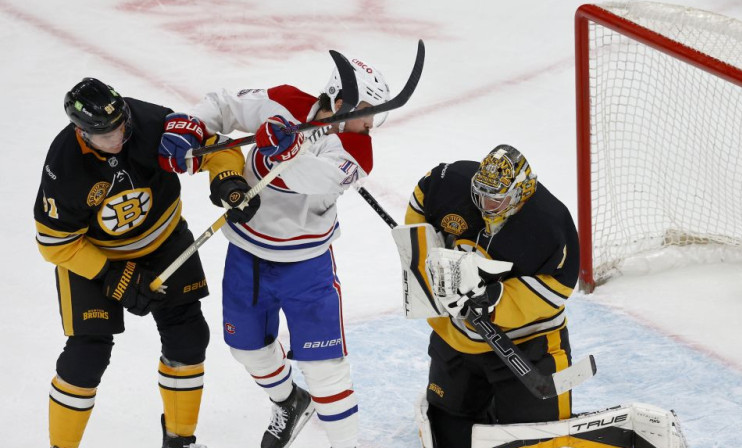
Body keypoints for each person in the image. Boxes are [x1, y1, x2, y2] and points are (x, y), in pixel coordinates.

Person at [157, 55, 391, 448]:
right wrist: (194, 126)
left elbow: (309, 179)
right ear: (338, 100)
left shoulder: (357, 152)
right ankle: (289, 401)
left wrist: (278, 156)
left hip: (307, 267)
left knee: (325, 372)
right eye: (367, 111)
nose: (370, 123)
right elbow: (224, 104)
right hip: (247, 254)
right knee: (247, 351)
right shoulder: (286, 101)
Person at [34, 77, 253, 448]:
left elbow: (219, 149)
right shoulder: (64, 165)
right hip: (94, 256)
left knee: (188, 337)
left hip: (165, 242)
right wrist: (108, 273)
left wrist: (229, 182)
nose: (117, 138)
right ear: (81, 131)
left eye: (121, 126)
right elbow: (54, 244)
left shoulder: (150, 122)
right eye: (105, 135)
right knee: (87, 355)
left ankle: (179, 440)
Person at [403, 144, 580, 447]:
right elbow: (423, 197)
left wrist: (497, 299)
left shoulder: (549, 224)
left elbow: (558, 286)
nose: (485, 204)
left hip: (526, 342)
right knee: (447, 434)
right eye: (480, 194)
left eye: (495, 199)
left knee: (540, 440)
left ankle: (506, 407)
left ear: (520, 193)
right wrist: (432, 262)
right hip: (456, 340)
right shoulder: (451, 182)